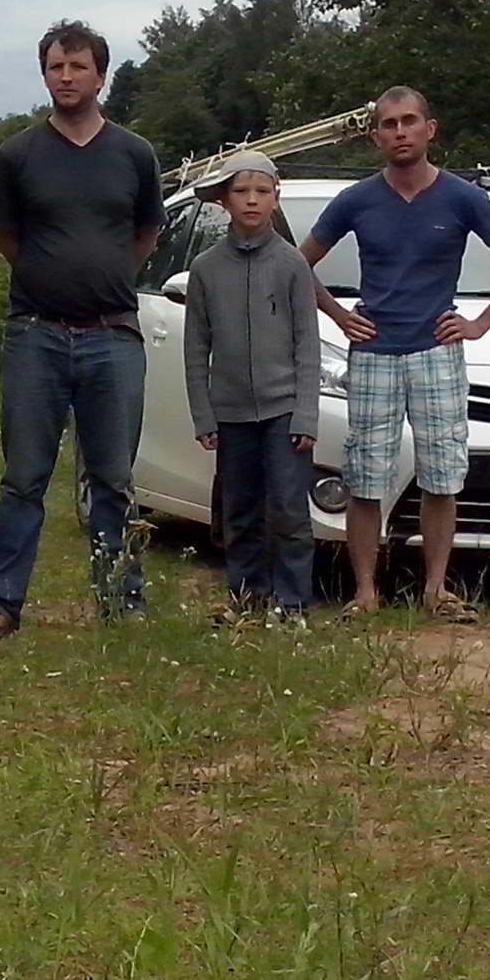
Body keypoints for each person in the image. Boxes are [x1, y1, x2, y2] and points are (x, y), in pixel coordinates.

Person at [301, 87, 490, 622]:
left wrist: (478, 324)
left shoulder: (462, 197)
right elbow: (299, 263)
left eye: (409, 121)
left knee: (442, 475)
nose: (400, 132)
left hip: (437, 352)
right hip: (374, 353)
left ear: (430, 130)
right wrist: (338, 316)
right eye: (389, 124)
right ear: (375, 137)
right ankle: (365, 594)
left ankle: (436, 590)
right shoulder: (356, 200)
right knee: (366, 476)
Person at [0, 21, 163, 643]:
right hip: (36, 336)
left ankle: (121, 600)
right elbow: (9, 239)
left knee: (113, 478)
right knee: (24, 476)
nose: (66, 77)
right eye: (56, 66)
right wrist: (54, 281)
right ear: (44, 73)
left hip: (113, 336)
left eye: (78, 67)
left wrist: (102, 279)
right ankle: (0, 604)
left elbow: (146, 235)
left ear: (100, 76)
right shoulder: (18, 155)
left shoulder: (135, 154)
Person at [183, 151, 321, 627]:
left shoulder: (292, 263)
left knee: (288, 509)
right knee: (238, 510)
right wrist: (203, 414)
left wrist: (306, 414)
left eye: (262, 192)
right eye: (241, 192)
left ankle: (293, 603)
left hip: (284, 409)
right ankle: (246, 596)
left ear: (275, 199)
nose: (251, 201)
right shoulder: (205, 268)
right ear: (224, 200)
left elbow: (308, 344)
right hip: (231, 413)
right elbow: (195, 347)